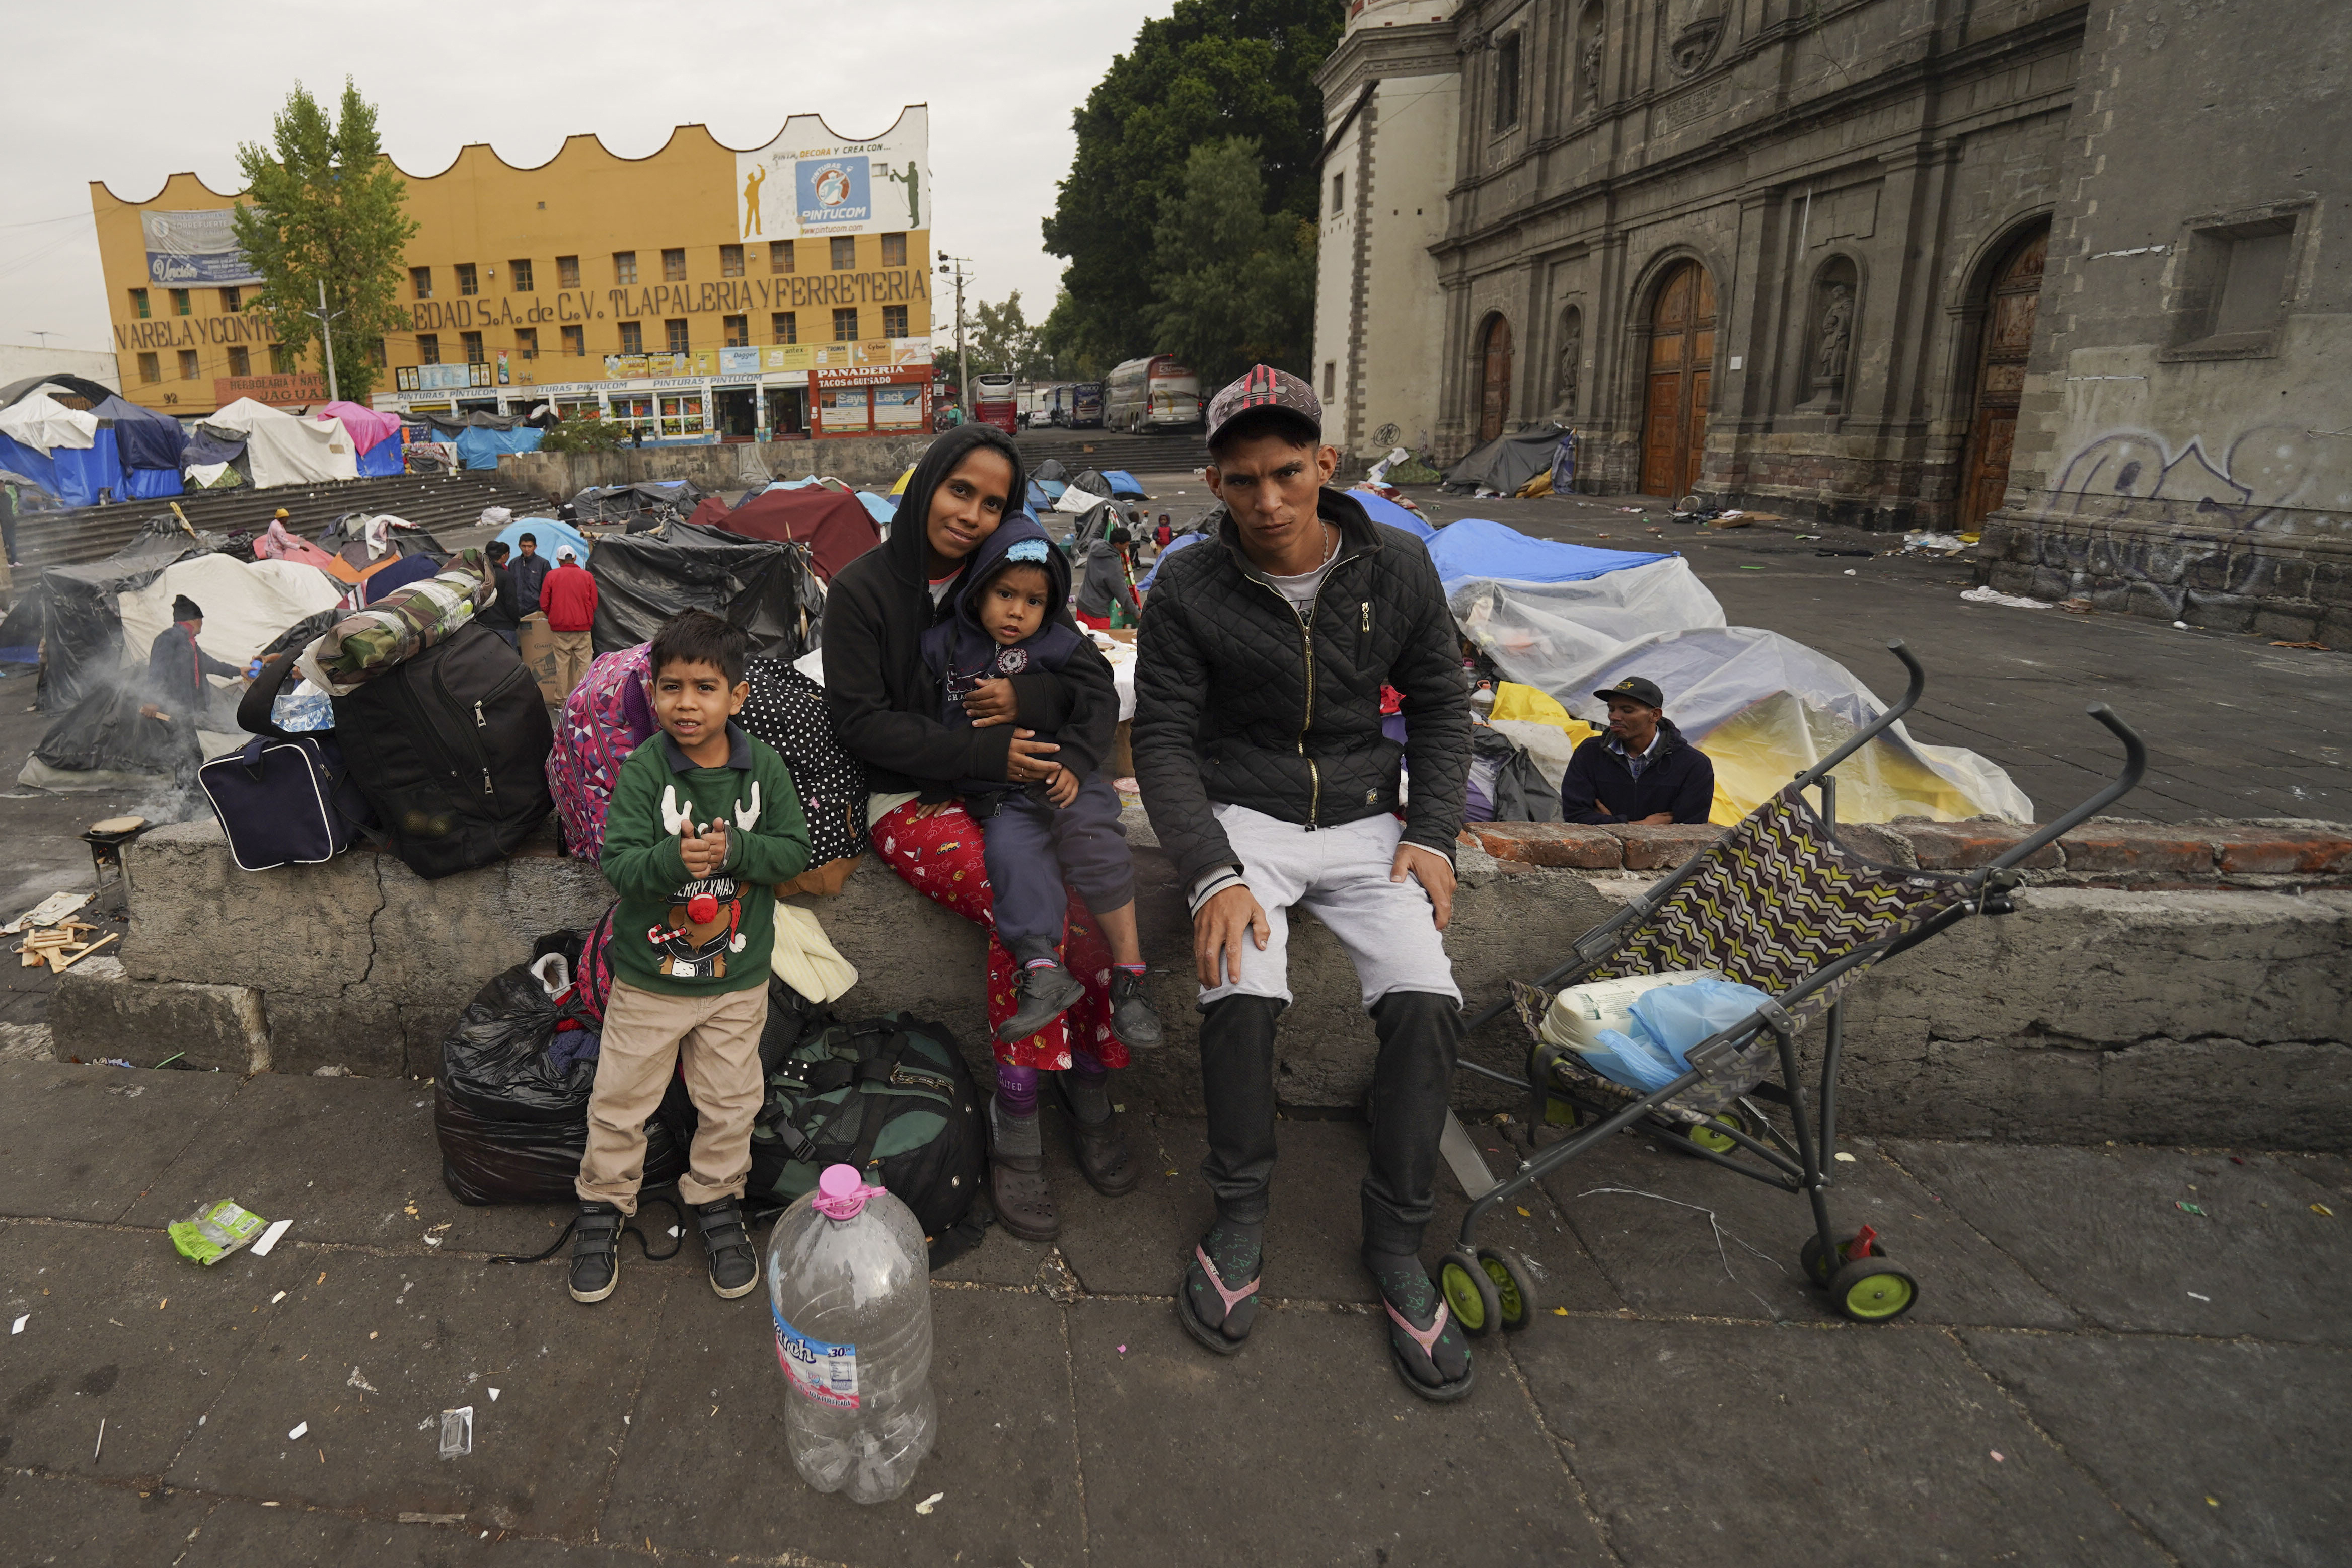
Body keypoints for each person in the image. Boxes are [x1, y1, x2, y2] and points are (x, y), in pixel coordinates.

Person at [1133, 364, 1477, 1401]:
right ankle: (1239, 1214)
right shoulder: (1185, 588)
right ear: (1212, 483)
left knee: (1425, 1002)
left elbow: (1440, 708)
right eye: (1240, 481)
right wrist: (1208, 872)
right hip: (1248, 813)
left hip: (1368, 818)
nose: (1267, 501)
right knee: (1237, 986)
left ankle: (1398, 1239)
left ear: (1325, 465)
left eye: (1286, 473)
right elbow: (1160, 742)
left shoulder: (1399, 566)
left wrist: (1433, 833)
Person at [823, 423, 1151, 1243]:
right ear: (926, 483)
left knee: (1082, 888)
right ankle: (1019, 1131)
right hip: (910, 803)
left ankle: (1087, 1087)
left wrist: (1033, 720)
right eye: (959, 490)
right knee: (1021, 905)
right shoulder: (862, 592)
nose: (971, 514)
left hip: (1008, 790)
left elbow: (1091, 693)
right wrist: (983, 750)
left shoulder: (1006, 577)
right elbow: (862, 726)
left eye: (992, 502)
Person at [920, 514, 1166, 1222]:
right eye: (1004, 595)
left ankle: (1129, 979)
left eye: (1032, 599)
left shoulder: (1064, 642)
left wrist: (1080, 765)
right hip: (1001, 796)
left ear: (1050, 601)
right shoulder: (949, 643)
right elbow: (922, 707)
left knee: (1095, 843)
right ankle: (1038, 970)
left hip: (1067, 782)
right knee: (1012, 862)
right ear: (977, 592)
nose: (1016, 611)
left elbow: (1096, 706)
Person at [571, 610, 812, 1305]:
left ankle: (715, 1198)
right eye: (670, 686)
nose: (685, 702)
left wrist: (738, 851)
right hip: (652, 978)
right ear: (652, 692)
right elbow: (617, 863)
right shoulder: (646, 771)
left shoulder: (762, 767)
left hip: (736, 979)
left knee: (731, 1101)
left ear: (736, 697)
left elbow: (794, 852)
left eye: (704, 687)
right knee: (621, 1100)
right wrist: (670, 860)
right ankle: (603, 1202)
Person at [1559, 676, 1716, 825]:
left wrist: (1605, 823)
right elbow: (1575, 816)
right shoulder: (1589, 753)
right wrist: (1638, 826)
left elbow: (1691, 830)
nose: (1615, 716)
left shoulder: (1693, 765)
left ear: (1655, 715)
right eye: (1612, 709)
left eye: (1627, 711)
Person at [138, 594, 244, 803]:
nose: (202, 625)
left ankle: (184, 791)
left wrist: (239, 670)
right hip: (171, 707)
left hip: (183, 708)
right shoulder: (168, 638)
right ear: (194, 620)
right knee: (191, 752)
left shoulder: (190, 644)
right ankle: (191, 796)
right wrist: (152, 699)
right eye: (201, 621)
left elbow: (208, 664)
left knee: (185, 750)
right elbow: (157, 669)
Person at [540, 545, 599, 697]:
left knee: (562, 666)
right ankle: (585, 698)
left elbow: (544, 604)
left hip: (560, 629)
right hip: (583, 628)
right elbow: (594, 603)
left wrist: (555, 616)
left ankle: (562, 701)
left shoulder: (551, 576)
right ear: (575, 558)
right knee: (585, 665)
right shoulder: (587, 576)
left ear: (559, 560)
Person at [1074, 525, 1140, 631]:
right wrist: (1137, 614)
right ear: (1117, 545)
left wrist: (1104, 521)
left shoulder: (1096, 546)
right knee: (1099, 644)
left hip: (1082, 604)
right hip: (1096, 612)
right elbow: (1123, 595)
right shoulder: (1114, 565)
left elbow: (1095, 535)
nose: (1127, 549)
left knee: (1083, 639)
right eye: (1126, 546)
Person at [477, 541, 522, 649]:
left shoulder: (480, 576)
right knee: (510, 663)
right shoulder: (506, 576)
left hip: (484, 628)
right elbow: (512, 604)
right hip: (505, 627)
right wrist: (516, 622)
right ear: (503, 556)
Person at [509, 532, 551, 619]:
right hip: (518, 610)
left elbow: (548, 588)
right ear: (519, 546)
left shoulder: (543, 564)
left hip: (537, 610)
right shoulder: (514, 563)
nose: (526, 549)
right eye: (523, 546)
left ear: (535, 547)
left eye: (530, 546)